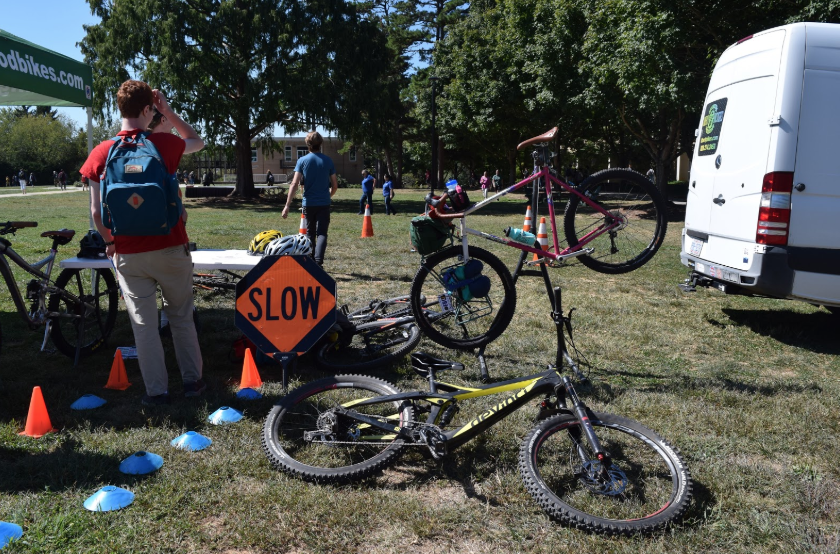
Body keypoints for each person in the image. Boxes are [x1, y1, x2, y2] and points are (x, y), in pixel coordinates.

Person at [79, 79, 206, 407]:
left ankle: (157, 392)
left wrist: (109, 241)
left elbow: (96, 212)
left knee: (144, 325)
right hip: (171, 247)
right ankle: (192, 383)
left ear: (119, 109)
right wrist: (170, 112)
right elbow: (197, 141)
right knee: (180, 316)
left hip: (130, 255)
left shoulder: (101, 153)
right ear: (149, 109)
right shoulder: (164, 144)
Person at [281, 131, 338, 266]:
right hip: (324, 203)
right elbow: (335, 185)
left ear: (308, 145)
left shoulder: (302, 161)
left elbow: (294, 183)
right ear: (320, 144)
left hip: (309, 203)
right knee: (322, 233)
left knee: (310, 234)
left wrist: (287, 205)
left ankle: (311, 262)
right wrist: (327, 196)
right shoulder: (328, 161)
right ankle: (318, 261)